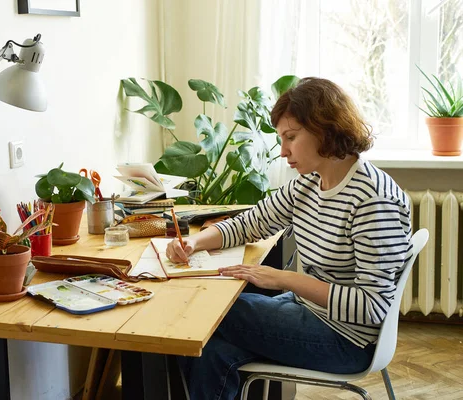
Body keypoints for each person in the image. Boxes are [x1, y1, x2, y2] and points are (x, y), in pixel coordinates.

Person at [166, 77, 413, 400]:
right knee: (213, 351)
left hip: (348, 340)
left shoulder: (372, 200)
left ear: (325, 129)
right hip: (308, 312)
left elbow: (372, 307)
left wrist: (285, 279)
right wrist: (194, 243)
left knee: (207, 308)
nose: (283, 151)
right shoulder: (310, 183)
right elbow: (250, 224)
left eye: (291, 138)